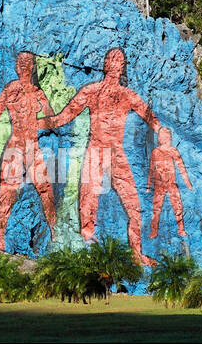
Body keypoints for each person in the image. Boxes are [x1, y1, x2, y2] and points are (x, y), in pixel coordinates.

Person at [44, 48, 160, 265]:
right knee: (88, 201)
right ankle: (87, 244)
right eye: (111, 58)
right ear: (105, 63)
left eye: (119, 60)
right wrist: (40, 123)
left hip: (116, 153)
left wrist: (162, 133)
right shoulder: (92, 91)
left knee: (134, 206)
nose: (115, 62)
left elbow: (150, 116)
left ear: (123, 66)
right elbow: (64, 116)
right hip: (95, 151)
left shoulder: (128, 95)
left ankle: (137, 253)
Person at [0, 51, 58, 251]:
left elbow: (51, 120)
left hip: (33, 147)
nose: (24, 65)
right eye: (21, 62)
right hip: (15, 146)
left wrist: (42, 110)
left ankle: (55, 233)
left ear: (32, 67)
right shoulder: (11, 88)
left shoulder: (37, 92)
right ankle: (0, 240)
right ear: (16, 66)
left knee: (46, 190)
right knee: (6, 192)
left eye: (28, 62)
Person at [148, 127, 193, 238]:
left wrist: (188, 183)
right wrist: (148, 185)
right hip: (159, 184)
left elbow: (181, 167)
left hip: (171, 183)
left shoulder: (172, 150)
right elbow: (151, 170)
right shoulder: (155, 152)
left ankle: (181, 230)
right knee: (157, 209)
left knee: (177, 206)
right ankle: (154, 231)